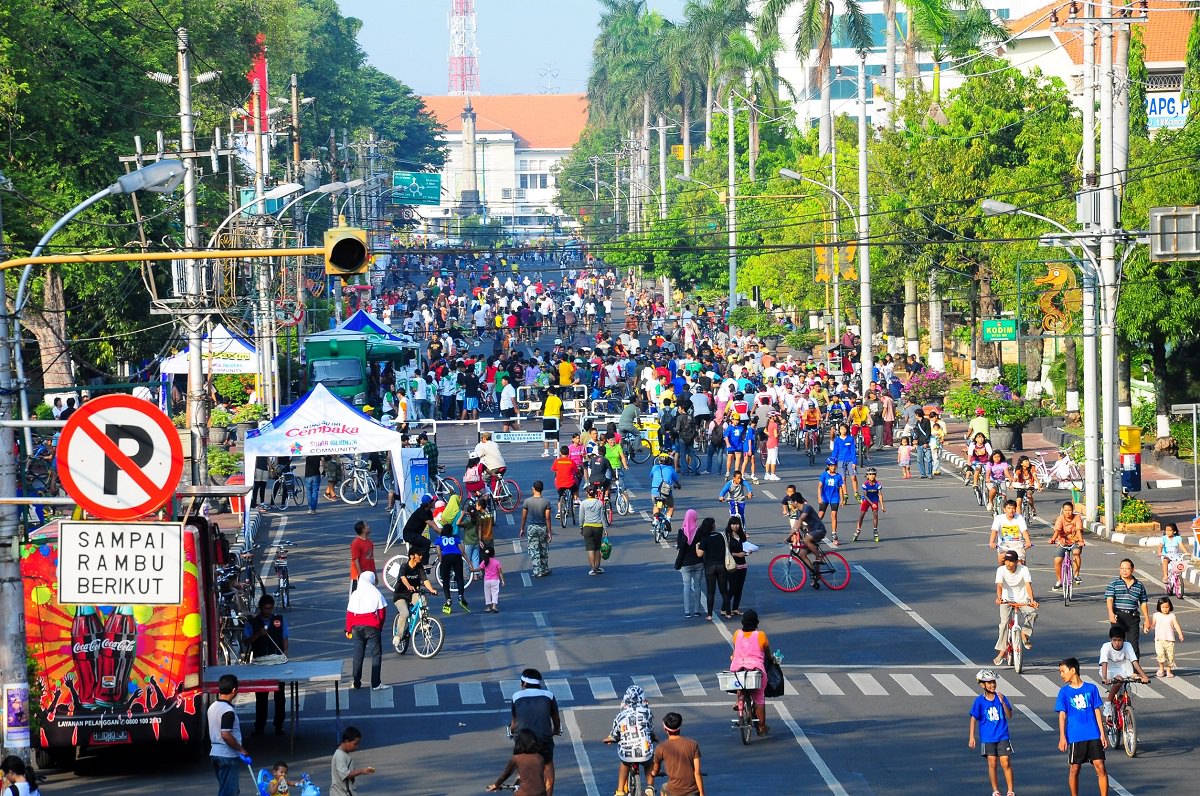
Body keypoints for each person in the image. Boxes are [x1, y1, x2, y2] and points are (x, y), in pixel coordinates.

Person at [1056, 657, 1108, 796]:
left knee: (1100, 767)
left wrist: (1102, 734)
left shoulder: (1091, 688)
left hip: (1093, 734)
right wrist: (1062, 737)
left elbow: (1097, 711)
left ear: (1073, 670)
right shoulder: (1064, 692)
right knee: (1074, 769)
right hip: (1075, 736)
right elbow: (1062, 715)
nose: (1061, 675)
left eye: (1063, 671)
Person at [509, 669, 561, 796]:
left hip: (523, 739)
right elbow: (556, 719)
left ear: (524, 684)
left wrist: (511, 731)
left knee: (522, 767)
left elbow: (514, 722)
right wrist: (556, 730)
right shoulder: (549, 695)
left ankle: (518, 788)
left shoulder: (516, 697)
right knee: (548, 766)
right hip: (544, 739)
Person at [243, 595, 287, 736]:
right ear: (261, 608)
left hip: (277, 662)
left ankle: (279, 725)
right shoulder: (253, 623)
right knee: (261, 696)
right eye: (266, 608)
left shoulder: (279, 620)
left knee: (280, 696)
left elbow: (285, 637)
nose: (268, 611)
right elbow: (247, 641)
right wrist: (258, 635)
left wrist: (285, 654)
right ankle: (259, 727)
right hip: (260, 662)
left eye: (270, 608)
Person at [968, 669, 1015, 796]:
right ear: (982, 685)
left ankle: (1010, 790)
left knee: (1005, 762)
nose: (992, 685)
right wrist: (972, 737)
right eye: (989, 683)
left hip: (1002, 736)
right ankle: (996, 790)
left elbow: (1009, 715)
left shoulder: (1001, 697)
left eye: (993, 682)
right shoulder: (979, 701)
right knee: (992, 763)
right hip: (988, 738)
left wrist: (1003, 702)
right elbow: (973, 718)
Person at [602, 685, 656, 796]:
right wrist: (654, 737)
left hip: (627, 752)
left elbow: (615, 734)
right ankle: (650, 787)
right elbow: (649, 729)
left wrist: (611, 739)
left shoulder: (620, 715)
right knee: (649, 763)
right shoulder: (647, 712)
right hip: (644, 750)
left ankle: (620, 791)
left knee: (624, 764)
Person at [993, 550, 1039, 666]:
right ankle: (1002, 651)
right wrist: (999, 598)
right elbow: (999, 586)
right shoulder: (1001, 570)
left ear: (1017, 562)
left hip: (1022, 600)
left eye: (1011, 561)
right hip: (1006, 600)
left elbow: (1028, 585)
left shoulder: (1023, 569)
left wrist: (1032, 600)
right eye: (1006, 561)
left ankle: (1025, 634)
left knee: (1033, 613)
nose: (1008, 564)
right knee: (1004, 624)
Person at [729, 610, 771, 736]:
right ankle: (762, 727)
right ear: (756, 622)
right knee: (759, 698)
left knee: (739, 683)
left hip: (738, 667)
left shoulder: (737, 634)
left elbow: (737, 647)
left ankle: (739, 701)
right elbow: (767, 651)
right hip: (755, 669)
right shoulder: (761, 635)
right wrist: (771, 659)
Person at [208, 673, 251, 796]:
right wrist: (241, 749)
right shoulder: (228, 711)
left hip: (215, 752)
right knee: (229, 792)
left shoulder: (212, 707)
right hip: (227, 755)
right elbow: (225, 734)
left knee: (228, 789)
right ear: (234, 690)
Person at [1099, 625, 1150, 721]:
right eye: (1114, 640)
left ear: (1123, 639)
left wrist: (1144, 676)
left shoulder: (1128, 645)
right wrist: (1104, 678)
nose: (1117, 643)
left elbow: (1134, 661)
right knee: (1119, 680)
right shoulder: (1106, 647)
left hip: (1123, 668)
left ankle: (1127, 719)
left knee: (1127, 696)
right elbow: (1104, 663)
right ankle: (1108, 702)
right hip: (1109, 669)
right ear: (1110, 639)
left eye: (1119, 640)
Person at [646, 712, 704, 796]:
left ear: (665, 729)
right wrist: (702, 793)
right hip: (692, 792)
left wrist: (654, 773)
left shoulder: (661, 747)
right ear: (679, 728)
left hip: (673, 792)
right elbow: (697, 772)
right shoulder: (693, 744)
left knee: (664, 787)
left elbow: (656, 769)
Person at [390, 550, 437, 652]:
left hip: (413, 594)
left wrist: (432, 589)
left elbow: (425, 580)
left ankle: (424, 624)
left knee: (422, 600)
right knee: (405, 613)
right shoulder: (404, 567)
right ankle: (398, 636)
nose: (421, 556)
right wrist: (408, 586)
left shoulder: (419, 567)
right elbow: (403, 578)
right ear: (412, 556)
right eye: (419, 554)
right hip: (400, 596)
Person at [345, 572, 385, 690]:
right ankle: (376, 683)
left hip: (357, 628)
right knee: (376, 655)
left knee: (358, 655)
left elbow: (350, 614)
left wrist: (348, 630)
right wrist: (379, 626)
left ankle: (356, 682)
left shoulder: (355, 594)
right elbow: (382, 612)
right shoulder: (376, 593)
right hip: (373, 627)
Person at [1104, 559, 1150, 659]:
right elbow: (1109, 599)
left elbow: (1143, 602)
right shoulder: (1114, 583)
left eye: (1127, 568)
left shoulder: (1139, 585)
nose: (1124, 571)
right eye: (1122, 568)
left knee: (1133, 645)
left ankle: (1134, 670)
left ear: (1133, 569)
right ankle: (1116, 667)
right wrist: (1111, 613)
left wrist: (1147, 619)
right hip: (1118, 616)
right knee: (1117, 644)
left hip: (1132, 617)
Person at [487, 728, 547, 795]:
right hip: (541, 793)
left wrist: (496, 785)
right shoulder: (540, 758)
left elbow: (506, 774)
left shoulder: (517, 758)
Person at [695, 517, 731, 621]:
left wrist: (697, 546)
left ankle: (710, 614)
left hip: (710, 567)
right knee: (724, 591)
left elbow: (699, 554)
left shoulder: (705, 538)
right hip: (721, 566)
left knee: (711, 592)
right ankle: (728, 613)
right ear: (712, 526)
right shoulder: (720, 536)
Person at [1049, 501, 1086, 590]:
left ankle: (1076, 575)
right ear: (1063, 510)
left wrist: (1081, 541)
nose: (1067, 512)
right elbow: (1057, 531)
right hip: (1063, 541)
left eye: (1069, 510)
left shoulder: (1077, 518)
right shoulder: (1060, 519)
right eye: (1065, 510)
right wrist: (1053, 539)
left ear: (1072, 510)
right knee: (1057, 560)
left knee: (1076, 553)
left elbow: (1078, 531)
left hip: (1075, 541)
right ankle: (1059, 581)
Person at [521, 480, 554, 577]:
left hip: (532, 527)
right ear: (542, 489)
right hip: (542, 527)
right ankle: (544, 569)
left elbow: (524, 516)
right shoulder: (546, 502)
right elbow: (548, 517)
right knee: (543, 548)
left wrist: (522, 528)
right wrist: (549, 531)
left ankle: (537, 570)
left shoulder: (527, 501)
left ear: (533, 489)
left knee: (534, 548)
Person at [675, 510, 705, 618]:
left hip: (685, 564)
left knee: (686, 586)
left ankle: (687, 611)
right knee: (697, 586)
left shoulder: (681, 531)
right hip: (698, 563)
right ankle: (696, 610)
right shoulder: (699, 531)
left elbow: (679, 546)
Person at [435, 524, 470, 614]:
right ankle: (461, 596)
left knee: (445, 580)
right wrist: (469, 562)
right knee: (459, 577)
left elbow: (439, 553)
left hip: (446, 557)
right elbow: (462, 551)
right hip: (456, 556)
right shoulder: (455, 538)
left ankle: (448, 600)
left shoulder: (439, 540)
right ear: (451, 531)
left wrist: (441, 562)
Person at [330, 726, 374, 796]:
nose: (356, 747)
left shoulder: (344, 754)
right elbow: (346, 774)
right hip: (341, 793)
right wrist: (362, 771)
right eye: (355, 744)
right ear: (347, 741)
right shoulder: (340, 756)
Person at [988, 499, 1032, 565]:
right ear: (1004, 509)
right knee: (1001, 558)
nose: (1011, 511)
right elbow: (994, 531)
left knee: (1019, 563)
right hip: (1004, 546)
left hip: (1018, 546)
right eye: (1009, 508)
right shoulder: (999, 518)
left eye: (1013, 508)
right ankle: (1002, 572)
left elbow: (1024, 531)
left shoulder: (1019, 518)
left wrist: (1028, 542)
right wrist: (991, 542)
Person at [1151, 596, 1184, 678]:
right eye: (1163, 607)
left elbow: (1176, 625)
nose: (1165, 609)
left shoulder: (1172, 616)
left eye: (1167, 607)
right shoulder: (1156, 615)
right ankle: (1161, 669)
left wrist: (1180, 634)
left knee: (1170, 656)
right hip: (1159, 639)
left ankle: (1168, 671)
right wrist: (1147, 627)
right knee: (1160, 654)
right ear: (1159, 607)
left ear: (1170, 607)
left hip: (1170, 640)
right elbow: (1152, 625)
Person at [816, 460, 846, 545]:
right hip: (825, 497)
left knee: (834, 514)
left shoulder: (838, 476)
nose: (833, 467)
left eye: (834, 466)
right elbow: (820, 486)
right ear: (828, 466)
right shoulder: (824, 475)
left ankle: (834, 534)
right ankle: (813, 528)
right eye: (831, 466)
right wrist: (819, 497)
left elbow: (840, 488)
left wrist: (842, 499)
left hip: (834, 497)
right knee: (821, 514)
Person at [401, 494, 440, 560]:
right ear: (428, 503)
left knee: (418, 553)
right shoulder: (422, 512)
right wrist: (444, 533)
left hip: (415, 534)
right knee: (427, 543)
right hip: (409, 534)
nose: (434, 502)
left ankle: (417, 566)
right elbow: (432, 525)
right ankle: (425, 564)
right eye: (433, 501)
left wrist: (442, 534)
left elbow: (434, 526)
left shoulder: (429, 512)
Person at [725, 515, 751, 615]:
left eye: (737, 524)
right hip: (732, 565)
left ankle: (735, 608)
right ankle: (725, 607)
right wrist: (737, 554)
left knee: (739, 588)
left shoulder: (742, 536)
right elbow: (726, 552)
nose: (735, 526)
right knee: (732, 588)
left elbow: (745, 547)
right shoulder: (727, 537)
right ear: (730, 525)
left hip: (743, 565)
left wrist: (748, 552)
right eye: (733, 524)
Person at [579, 485, 607, 575]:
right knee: (597, 548)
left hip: (587, 527)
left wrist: (581, 527)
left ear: (587, 493)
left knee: (590, 548)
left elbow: (581, 517)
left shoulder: (583, 503)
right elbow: (602, 517)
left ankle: (593, 568)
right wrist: (605, 528)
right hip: (598, 527)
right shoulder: (599, 503)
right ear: (595, 493)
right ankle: (598, 566)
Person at [853, 467, 885, 543]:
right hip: (867, 500)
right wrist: (871, 504)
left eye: (873, 474)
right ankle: (858, 529)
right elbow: (865, 495)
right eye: (870, 474)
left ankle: (875, 530)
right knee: (862, 515)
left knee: (876, 514)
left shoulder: (878, 484)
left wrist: (882, 506)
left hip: (874, 500)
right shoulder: (865, 484)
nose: (872, 476)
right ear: (867, 475)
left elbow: (880, 495)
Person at [1156, 522, 1192, 587]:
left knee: (1180, 564)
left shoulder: (1177, 538)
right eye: (1166, 530)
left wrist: (1186, 552)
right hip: (1167, 556)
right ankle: (1165, 576)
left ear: (1174, 531)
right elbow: (1160, 546)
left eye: (1170, 530)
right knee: (1165, 561)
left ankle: (1178, 577)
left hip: (1175, 556)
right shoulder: (1164, 538)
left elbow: (1181, 546)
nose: (1167, 532)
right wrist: (1159, 552)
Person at [650, 454, 681, 523]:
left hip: (655, 491)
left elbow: (651, 475)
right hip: (666, 492)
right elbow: (676, 481)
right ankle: (668, 520)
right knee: (670, 507)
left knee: (656, 505)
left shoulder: (655, 467)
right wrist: (678, 486)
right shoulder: (671, 469)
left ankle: (655, 520)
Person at [478, 544, 505, 613]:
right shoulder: (497, 562)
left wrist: (472, 570)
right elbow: (500, 572)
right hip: (495, 580)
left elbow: (479, 568)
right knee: (495, 593)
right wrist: (502, 580)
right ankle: (494, 607)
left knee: (487, 594)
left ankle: (488, 607)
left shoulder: (485, 561)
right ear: (493, 554)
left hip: (487, 580)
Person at [349, 520, 376, 591]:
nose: (369, 527)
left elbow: (371, 560)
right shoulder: (356, 543)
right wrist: (361, 576)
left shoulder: (370, 542)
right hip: (358, 576)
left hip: (369, 576)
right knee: (355, 598)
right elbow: (356, 560)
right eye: (367, 526)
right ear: (363, 530)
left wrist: (375, 575)